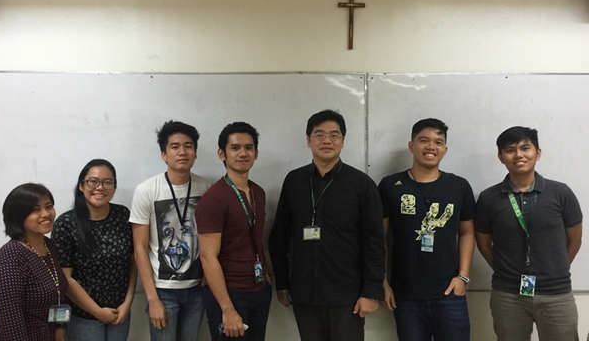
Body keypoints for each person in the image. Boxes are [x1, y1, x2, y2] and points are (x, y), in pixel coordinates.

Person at [269, 109, 385, 341]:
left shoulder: (362, 184)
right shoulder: (294, 181)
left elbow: (375, 242)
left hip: (348, 297)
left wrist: (371, 292)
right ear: (308, 140)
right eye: (319, 134)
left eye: (334, 135)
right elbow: (279, 236)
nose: (326, 140)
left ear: (343, 141)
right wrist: (282, 282)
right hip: (304, 294)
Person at [475, 126, 583, 341]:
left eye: (525, 148)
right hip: (508, 294)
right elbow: (484, 243)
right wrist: (506, 270)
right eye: (510, 150)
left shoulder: (561, 192)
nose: (519, 155)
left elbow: (575, 240)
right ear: (501, 157)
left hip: (556, 292)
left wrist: (555, 269)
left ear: (538, 153)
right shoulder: (489, 198)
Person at [377, 118, 475, 341]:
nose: (431, 147)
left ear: (445, 149)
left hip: (450, 292)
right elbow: (378, 238)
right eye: (424, 140)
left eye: (438, 142)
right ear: (411, 145)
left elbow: (468, 233)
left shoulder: (459, 186)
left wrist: (463, 276)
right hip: (405, 295)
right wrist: (381, 281)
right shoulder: (390, 185)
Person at [130, 120, 212, 341]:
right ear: (163, 154)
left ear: (195, 153)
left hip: (197, 288)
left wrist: (207, 275)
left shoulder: (206, 188)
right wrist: (152, 299)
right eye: (175, 146)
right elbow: (139, 247)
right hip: (162, 290)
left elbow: (210, 238)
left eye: (188, 146)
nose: (182, 152)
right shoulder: (146, 190)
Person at [196, 122, 272, 340]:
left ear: (256, 154)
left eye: (249, 148)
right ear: (222, 154)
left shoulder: (258, 192)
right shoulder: (214, 199)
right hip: (229, 294)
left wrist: (264, 277)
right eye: (235, 148)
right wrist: (227, 310)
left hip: (259, 290)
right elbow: (208, 257)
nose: (243, 153)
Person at [51, 159, 137, 341]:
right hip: (82, 316)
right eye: (93, 181)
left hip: (119, 312)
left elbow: (133, 262)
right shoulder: (65, 224)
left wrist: (127, 303)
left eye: (107, 182)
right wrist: (98, 312)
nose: (100, 187)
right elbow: (65, 278)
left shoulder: (123, 216)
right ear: (82, 186)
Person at [0, 183, 70, 341]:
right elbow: (10, 322)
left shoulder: (47, 245)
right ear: (17, 216)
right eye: (35, 210)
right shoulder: (10, 258)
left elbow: (58, 295)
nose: (46, 214)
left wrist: (59, 328)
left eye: (49, 206)